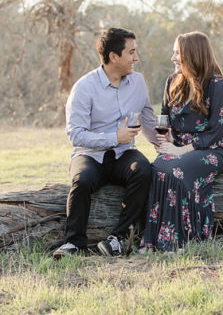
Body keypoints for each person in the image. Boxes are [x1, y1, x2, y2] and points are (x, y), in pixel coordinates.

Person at [53, 28, 157, 259]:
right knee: (82, 180)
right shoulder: (84, 87)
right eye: (131, 52)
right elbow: (75, 134)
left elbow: (149, 120)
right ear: (113, 56)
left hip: (123, 153)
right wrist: (113, 138)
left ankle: (118, 239)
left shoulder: (138, 82)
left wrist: (166, 148)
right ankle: (73, 243)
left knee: (143, 170)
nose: (136, 58)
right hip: (90, 154)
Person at [140, 31, 223, 252]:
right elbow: (164, 116)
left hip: (211, 148)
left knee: (179, 170)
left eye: (177, 53)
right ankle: (155, 240)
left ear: (193, 55)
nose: (172, 58)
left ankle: (183, 240)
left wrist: (182, 150)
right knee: (158, 168)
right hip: (178, 145)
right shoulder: (172, 82)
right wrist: (166, 137)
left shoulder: (217, 85)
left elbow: (216, 131)